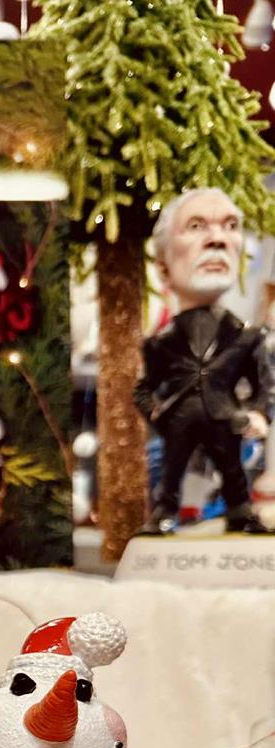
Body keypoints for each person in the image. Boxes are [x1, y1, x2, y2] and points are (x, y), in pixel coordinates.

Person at [135, 188, 273, 536]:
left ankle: (240, 511)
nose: (217, 239)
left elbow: (263, 383)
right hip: (180, 419)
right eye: (196, 226)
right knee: (172, 470)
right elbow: (144, 387)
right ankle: (164, 512)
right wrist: (155, 414)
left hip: (224, 417)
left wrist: (258, 413)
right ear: (163, 267)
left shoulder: (245, 337)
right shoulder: (160, 343)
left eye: (230, 226)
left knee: (232, 469)